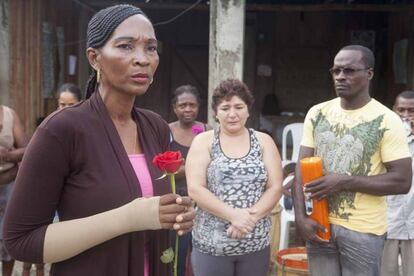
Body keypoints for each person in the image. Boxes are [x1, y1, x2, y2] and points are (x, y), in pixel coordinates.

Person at [3, 5, 195, 276]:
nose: (142, 59)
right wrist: (128, 218)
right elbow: (21, 240)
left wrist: (177, 214)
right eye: (126, 46)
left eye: (151, 48)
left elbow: (156, 210)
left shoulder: (156, 128)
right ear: (94, 58)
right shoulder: (62, 130)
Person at [292, 45, 412, 276]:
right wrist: (300, 217)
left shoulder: (386, 119)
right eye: (336, 71)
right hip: (319, 222)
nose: (340, 77)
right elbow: (300, 167)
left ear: (369, 74)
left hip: (363, 231)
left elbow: (402, 181)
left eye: (349, 71)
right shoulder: (317, 113)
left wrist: (344, 181)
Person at [186, 79, 283, 276]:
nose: (232, 114)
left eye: (239, 107)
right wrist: (233, 215)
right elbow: (195, 188)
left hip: (255, 241)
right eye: (225, 108)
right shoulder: (204, 141)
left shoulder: (264, 141)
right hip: (212, 244)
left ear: (248, 110)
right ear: (215, 112)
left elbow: (275, 187)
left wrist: (248, 219)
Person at [22, 83, 82, 276]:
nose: (64, 109)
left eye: (70, 104)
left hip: (73, 197)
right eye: (61, 104)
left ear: (81, 103)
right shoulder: (50, 126)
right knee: (38, 242)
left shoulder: (86, 129)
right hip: (48, 193)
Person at [169, 84, 209, 276]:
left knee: (202, 254)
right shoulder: (166, 131)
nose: (187, 109)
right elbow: (164, 170)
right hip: (175, 202)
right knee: (177, 252)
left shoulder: (206, 131)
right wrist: (196, 167)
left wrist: (183, 168)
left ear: (198, 107)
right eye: (182, 105)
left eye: (192, 105)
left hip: (203, 203)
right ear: (174, 108)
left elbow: (213, 166)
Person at [380, 91, 414, 276]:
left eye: (412, 111)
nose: (406, 116)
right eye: (401, 110)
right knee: (386, 272)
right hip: (388, 221)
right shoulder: (383, 138)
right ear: (394, 112)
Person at [0, 105, 27, 276]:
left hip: (8, 184)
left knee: (6, 236)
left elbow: (26, 149)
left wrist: (7, 155)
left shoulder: (10, 115)